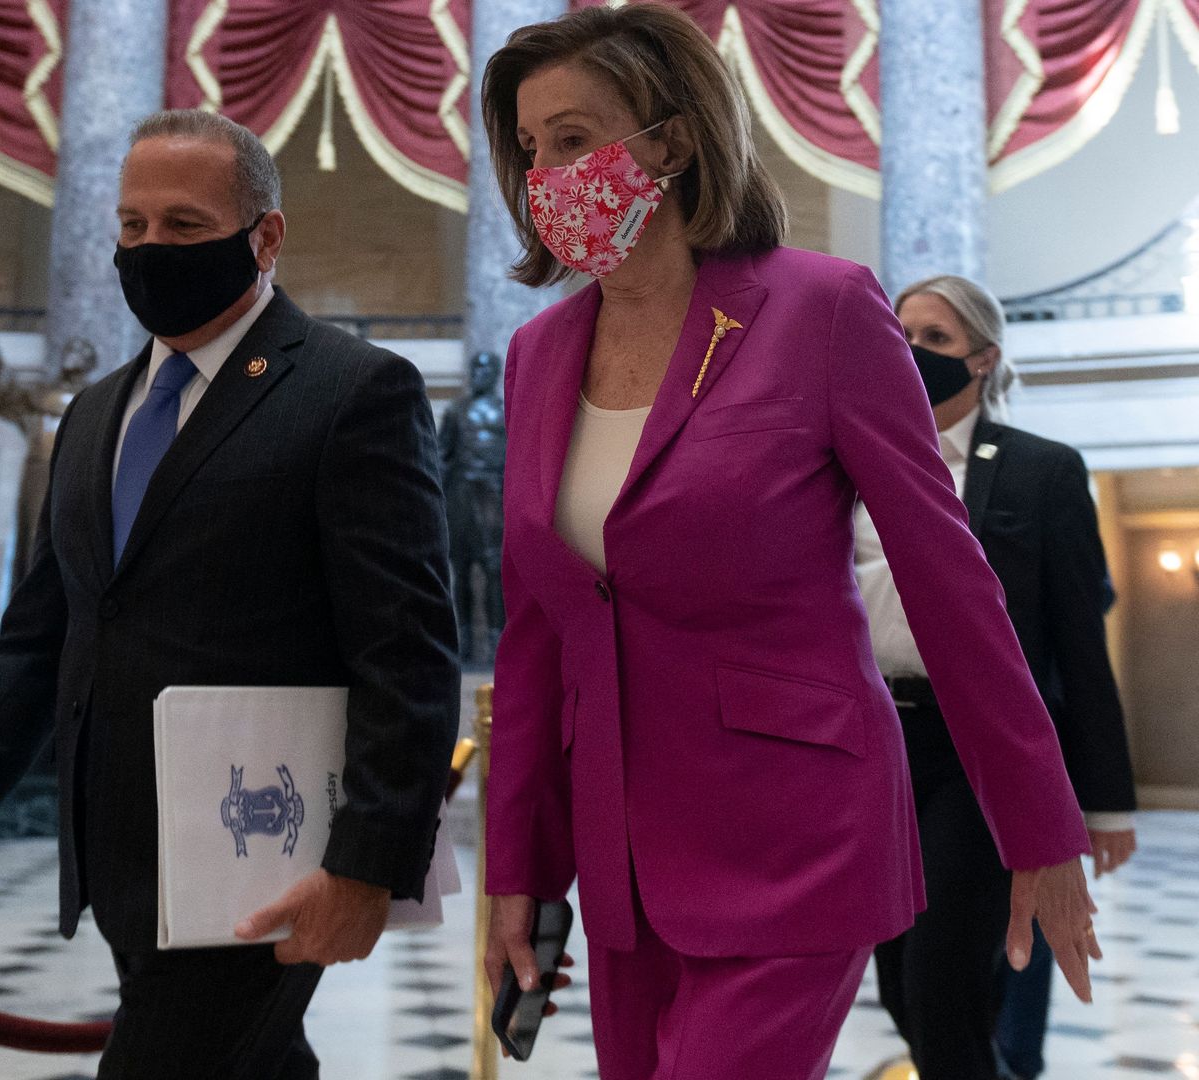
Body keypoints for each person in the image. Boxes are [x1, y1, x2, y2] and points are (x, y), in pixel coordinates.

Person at [475, 8, 1098, 1080]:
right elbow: (539, 634)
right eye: (531, 150)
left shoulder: (823, 309)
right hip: (622, 854)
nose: (548, 178)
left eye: (575, 139)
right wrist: (515, 872)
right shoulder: (539, 353)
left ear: (671, 141)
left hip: (795, 833)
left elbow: (950, 584)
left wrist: (1041, 829)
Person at [0, 109, 460, 1079]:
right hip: (122, 864)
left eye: (184, 225)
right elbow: (42, 638)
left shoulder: (353, 391)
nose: (149, 249)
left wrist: (367, 864)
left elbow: (408, 652)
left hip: (264, 850)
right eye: (132, 226)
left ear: (265, 236)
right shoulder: (96, 414)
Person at [865, 275, 1138, 1080]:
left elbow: (1078, 643)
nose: (914, 353)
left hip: (979, 751)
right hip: (876, 745)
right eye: (901, 335)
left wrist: (1104, 800)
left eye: (937, 338)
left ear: (983, 358)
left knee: (941, 980)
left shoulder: (1039, 470)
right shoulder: (857, 459)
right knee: (897, 983)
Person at [0, 314, 98, 592]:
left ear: (89, 363)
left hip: (76, 476)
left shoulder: (97, 401)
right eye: (70, 349)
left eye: (79, 352)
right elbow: (4, 392)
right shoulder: (39, 397)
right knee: (32, 539)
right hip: (39, 473)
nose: (71, 355)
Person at [440, 351, 508, 665]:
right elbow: (443, 455)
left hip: (493, 498)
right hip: (461, 498)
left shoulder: (507, 410)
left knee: (494, 570)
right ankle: (464, 643)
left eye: (485, 369)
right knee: (461, 569)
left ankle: (498, 642)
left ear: (494, 373)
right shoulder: (457, 410)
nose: (479, 374)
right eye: (475, 369)